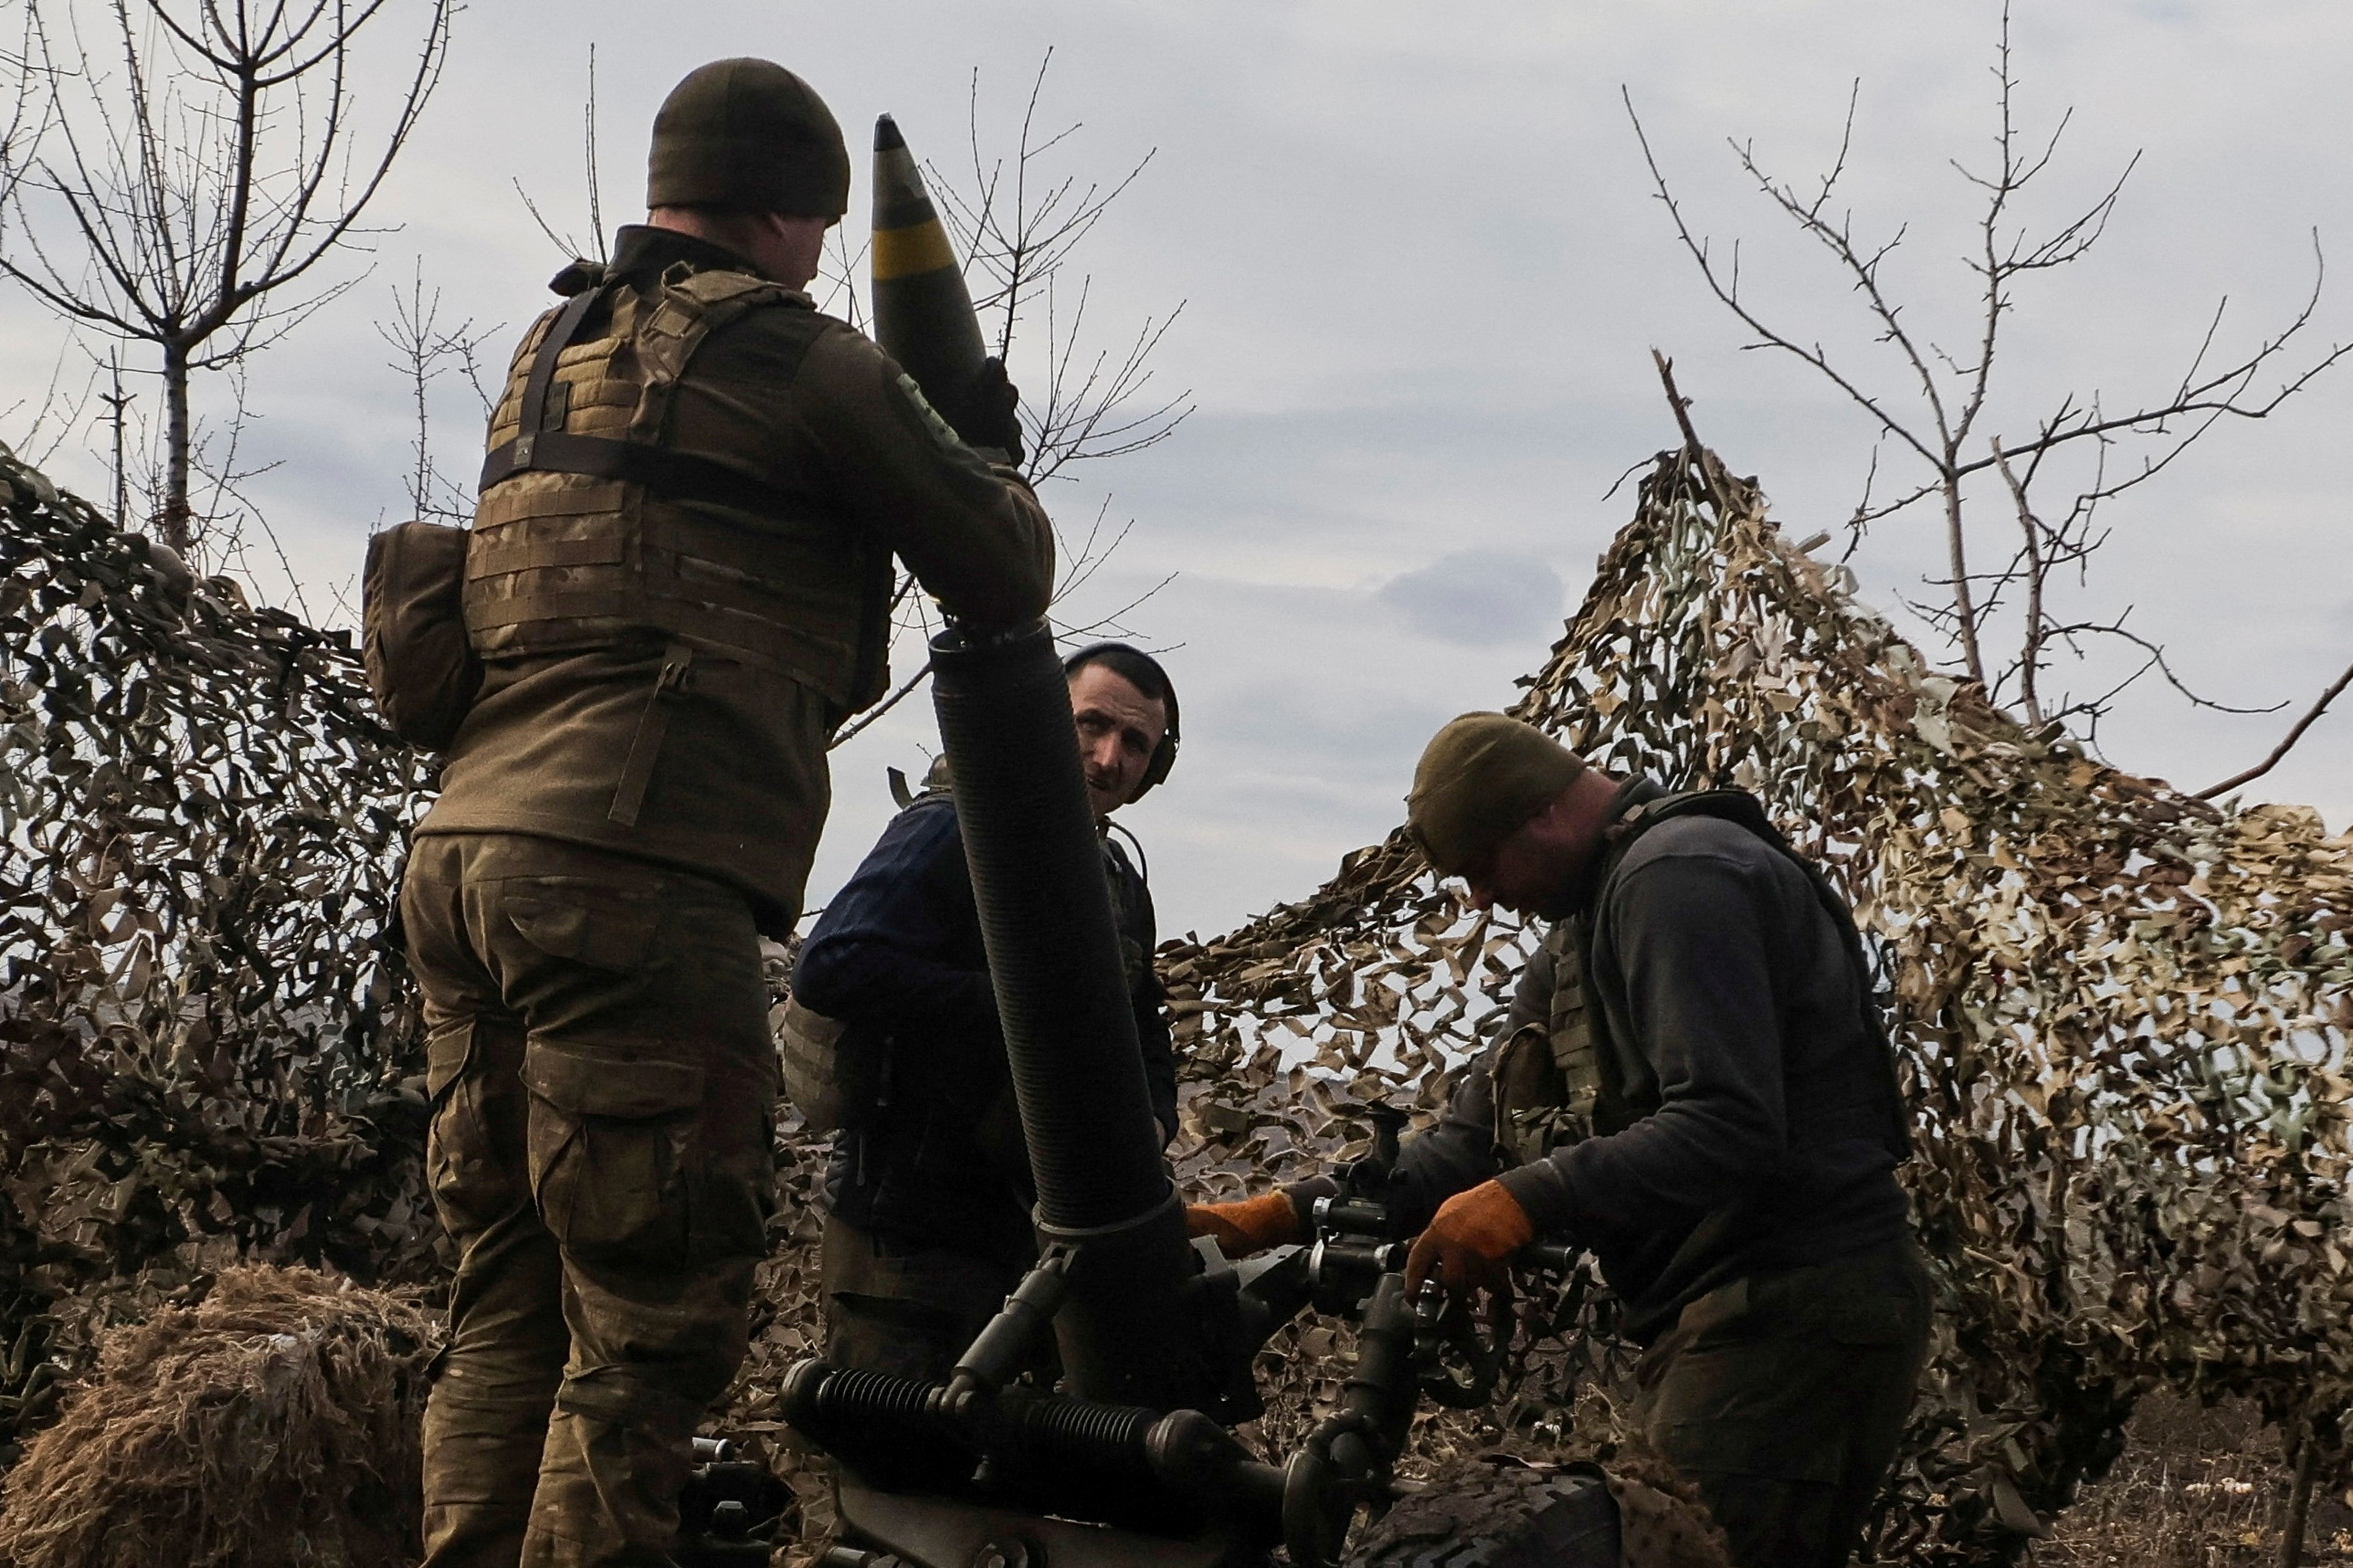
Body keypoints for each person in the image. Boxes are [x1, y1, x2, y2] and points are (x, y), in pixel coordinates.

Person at [396, 58, 1054, 1568]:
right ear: (774, 209)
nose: (824, 252)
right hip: (631, 871)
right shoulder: (799, 361)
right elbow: (1004, 571)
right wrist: (981, 444)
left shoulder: (550, 347)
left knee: (504, 1300)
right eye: (814, 223)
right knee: (646, 1326)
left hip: (463, 862)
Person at [1188, 712, 1929, 1568]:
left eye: (1480, 867)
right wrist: (1286, 1212)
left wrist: (1531, 1197)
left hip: (1800, 1305)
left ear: (1538, 815)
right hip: (1728, 1311)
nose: (1479, 898)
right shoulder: (1585, 921)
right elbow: (1471, 1145)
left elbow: (1731, 1123)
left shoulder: (1680, 876)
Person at [791, 643, 1182, 1383]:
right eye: (1091, 724)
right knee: (893, 1473)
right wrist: (1021, 1008)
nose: (1108, 757)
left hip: (1027, 1248)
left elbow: (1143, 1036)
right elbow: (832, 962)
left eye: (1136, 743)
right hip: (907, 1236)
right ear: (1039, 722)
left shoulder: (1117, 884)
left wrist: (1150, 1121)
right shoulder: (954, 827)